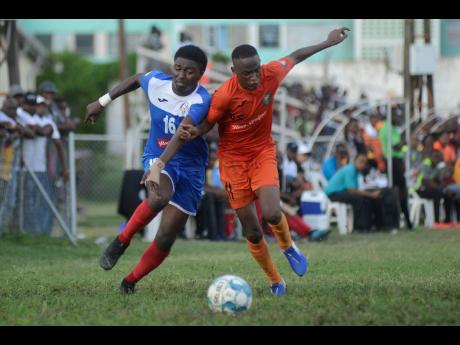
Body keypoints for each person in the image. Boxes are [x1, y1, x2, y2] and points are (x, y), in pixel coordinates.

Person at [175, 27, 350, 296]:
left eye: (256, 69)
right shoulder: (224, 95)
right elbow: (207, 124)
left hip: (262, 153)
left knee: (270, 212)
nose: (255, 76)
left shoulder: (270, 73)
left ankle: (289, 247)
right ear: (234, 71)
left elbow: (296, 55)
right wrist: (194, 132)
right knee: (253, 232)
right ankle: (276, 280)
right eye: (248, 72)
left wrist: (327, 42)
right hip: (233, 163)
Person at [85, 45, 211, 294]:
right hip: (157, 155)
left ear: (200, 74)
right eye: (178, 68)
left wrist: (161, 164)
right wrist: (102, 101)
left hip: (190, 166)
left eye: (189, 71)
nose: (181, 75)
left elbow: (181, 136)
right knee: (159, 196)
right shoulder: (156, 82)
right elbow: (134, 80)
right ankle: (120, 242)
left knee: (165, 237)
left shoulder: (201, 100)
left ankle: (130, 281)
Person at [325, 154, 384, 232]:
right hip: (333, 193)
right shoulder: (350, 170)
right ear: (355, 161)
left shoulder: (356, 172)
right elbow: (352, 190)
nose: (362, 165)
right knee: (359, 199)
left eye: (364, 163)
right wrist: (371, 195)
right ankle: (358, 228)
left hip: (340, 192)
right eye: (360, 162)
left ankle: (368, 225)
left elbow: (354, 189)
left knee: (364, 199)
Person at [379, 107, 413, 230]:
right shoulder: (387, 128)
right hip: (392, 162)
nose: (399, 118)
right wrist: (406, 142)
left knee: (401, 192)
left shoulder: (392, 128)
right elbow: (397, 146)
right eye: (397, 116)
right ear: (391, 116)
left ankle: (407, 221)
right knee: (397, 193)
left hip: (396, 161)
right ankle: (397, 222)